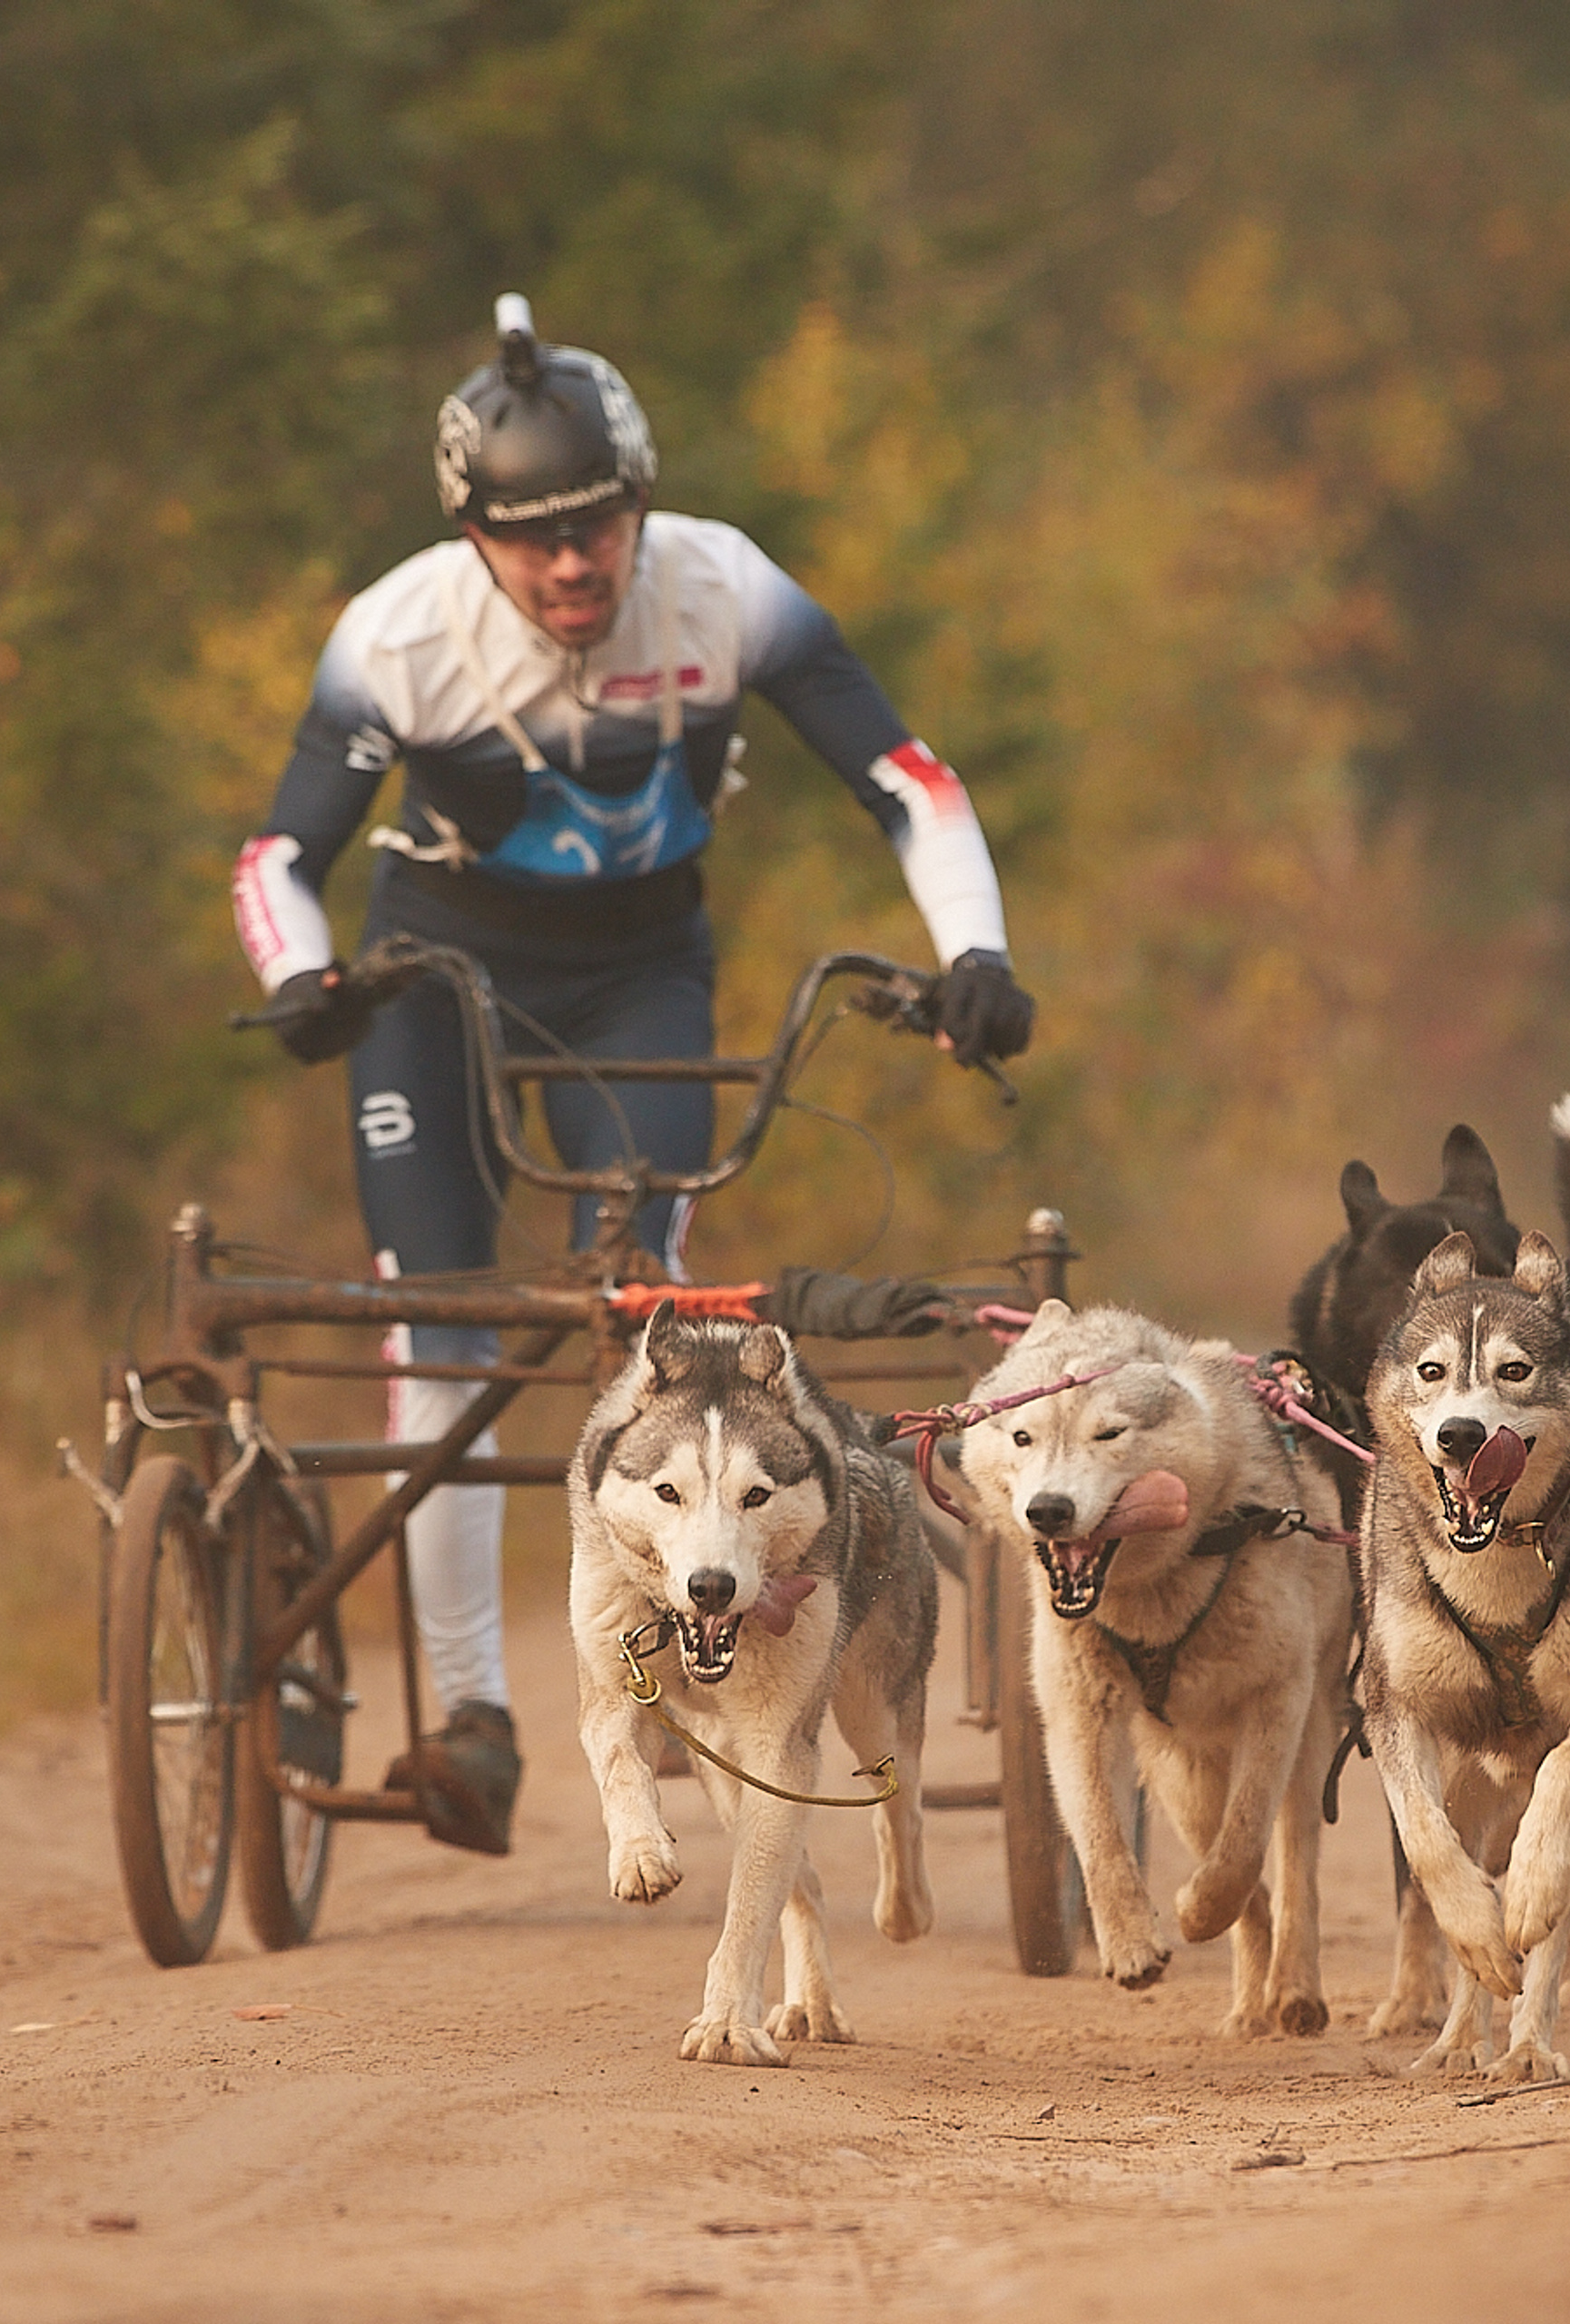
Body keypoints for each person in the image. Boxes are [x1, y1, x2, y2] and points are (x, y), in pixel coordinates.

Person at [231, 294, 1035, 1854]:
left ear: (639, 506)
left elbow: (905, 778)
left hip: (641, 975)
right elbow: (279, 854)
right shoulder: (397, 634)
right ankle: (472, 1715)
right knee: (438, 1331)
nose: (573, 564)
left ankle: (682, 1662)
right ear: (472, 535)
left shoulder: (727, 589)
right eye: (532, 538)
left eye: (597, 524)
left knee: (655, 1327)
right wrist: (300, 982)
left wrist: (974, 953)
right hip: (432, 975)